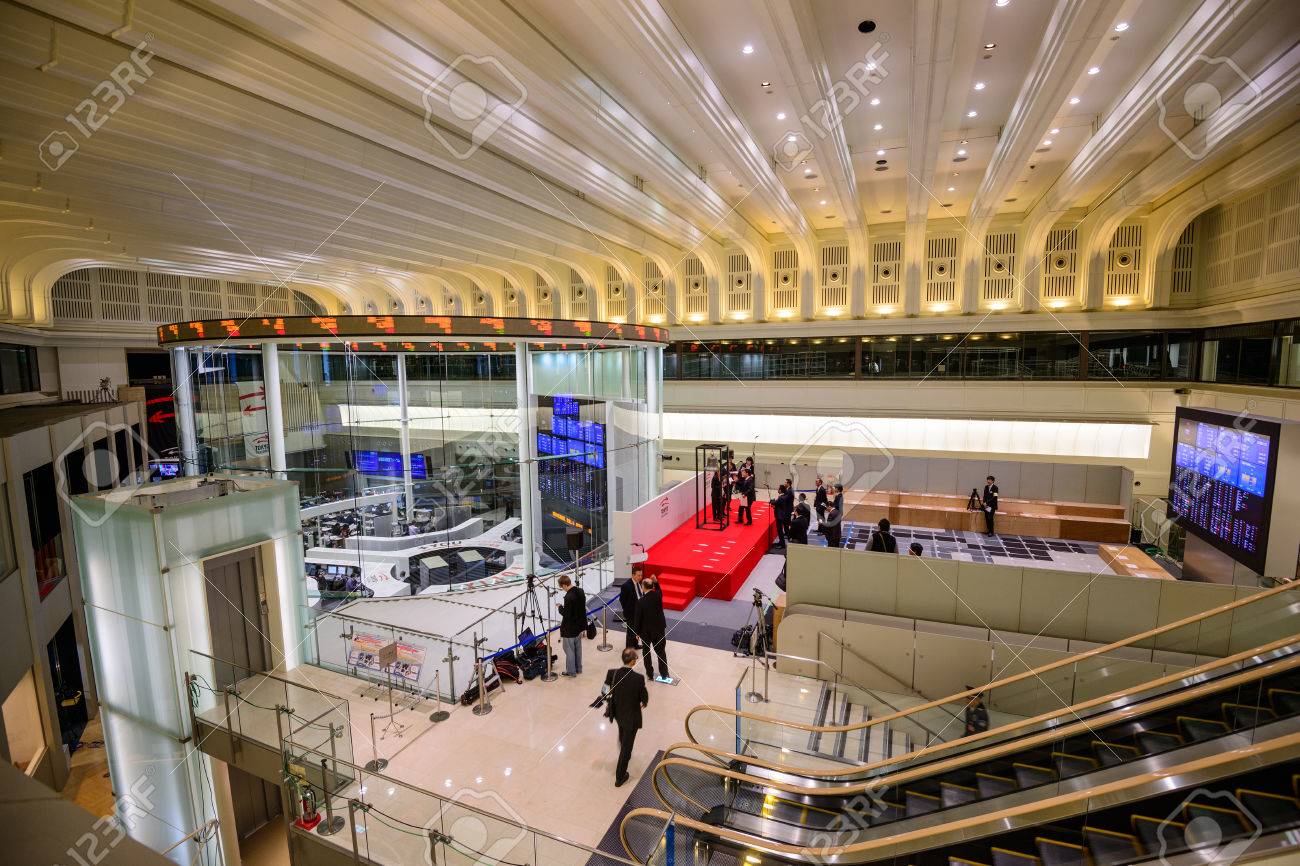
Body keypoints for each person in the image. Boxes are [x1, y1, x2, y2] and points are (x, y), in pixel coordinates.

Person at [604, 647, 649, 787]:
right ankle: (620, 777)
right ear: (633, 661)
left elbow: (604, 691)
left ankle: (623, 744)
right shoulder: (638, 679)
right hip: (631, 717)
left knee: (622, 732)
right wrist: (644, 702)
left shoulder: (612, 673)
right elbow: (644, 697)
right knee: (626, 748)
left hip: (617, 713)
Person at [633, 576, 668, 681]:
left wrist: (637, 632)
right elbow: (659, 590)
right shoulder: (658, 595)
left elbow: (638, 618)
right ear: (652, 587)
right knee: (661, 652)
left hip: (646, 631)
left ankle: (649, 674)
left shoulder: (640, 602)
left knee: (646, 652)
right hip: (659, 629)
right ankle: (664, 674)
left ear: (643, 587)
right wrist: (656, 582)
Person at [557, 574, 586, 676]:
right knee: (578, 650)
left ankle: (571, 672)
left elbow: (567, 615)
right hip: (579, 627)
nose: (563, 589)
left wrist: (560, 607)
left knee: (569, 651)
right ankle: (579, 669)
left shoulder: (569, 597)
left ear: (564, 585)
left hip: (569, 629)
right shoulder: (580, 591)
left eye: (562, 587)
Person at [618, 568, 641, 649]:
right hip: (631, 613)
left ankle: (635, 644)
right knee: (631, 632)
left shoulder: (638, 583)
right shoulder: (626, 586)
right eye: (638, 575)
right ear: (633, 575)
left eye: (641, 575)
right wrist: (627, 610)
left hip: (638, 612)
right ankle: (629, 650)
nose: (640, 577)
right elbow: (622, 600)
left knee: (637, 630)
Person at [772, 483, 794, 547]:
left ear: (781, 490)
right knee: (780, 530)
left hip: (780, 516)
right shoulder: (783, 496)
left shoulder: (781, 497)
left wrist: (772, 502)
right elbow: (778, 504)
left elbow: (775, 502)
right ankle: (781, 542)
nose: (778, 490)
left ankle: (782, 544)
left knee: (780, 530)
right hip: (782, 515)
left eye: (778, 489)